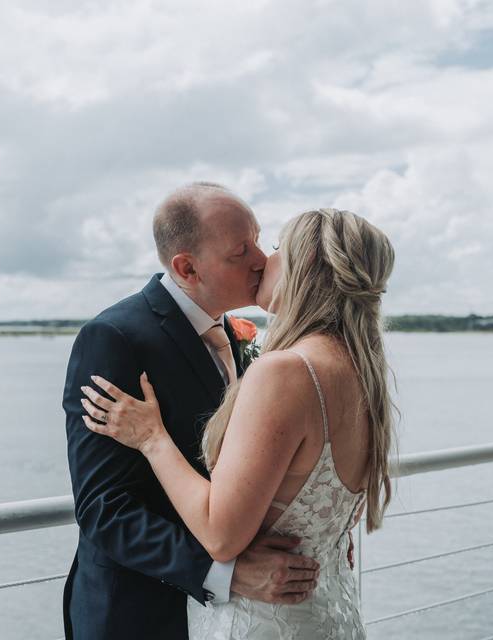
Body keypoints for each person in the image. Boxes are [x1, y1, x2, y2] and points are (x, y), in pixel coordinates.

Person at [81, 207, 396, 638]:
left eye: (276, 247)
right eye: (245, 248)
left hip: (264, 622)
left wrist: (152, 438)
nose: (265, 259)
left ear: (303, 266)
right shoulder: (362, 369)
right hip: (326, 613)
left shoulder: (286, 371)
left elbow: (221, 535)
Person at [61, 183, 322, 640]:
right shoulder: (114, 338)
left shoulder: (244, 337)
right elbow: (105, 508)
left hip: (232, 617)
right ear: (187, 267)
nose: (262, 259)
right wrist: (227, 573)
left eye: (259, 240)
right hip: (138, 614)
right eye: (241, 251)